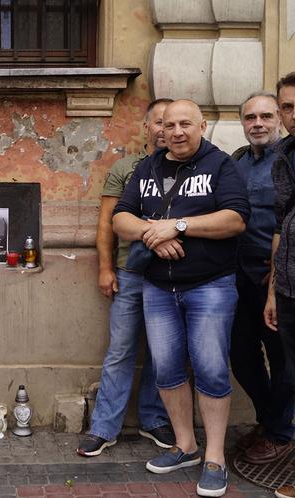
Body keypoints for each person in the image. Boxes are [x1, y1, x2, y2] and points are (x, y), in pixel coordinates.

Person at [113, 100, 250, 497]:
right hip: (157, 287)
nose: (175, 131)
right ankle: (186, 446)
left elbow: (236, 218)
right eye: (169, 124)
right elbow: (121, 217)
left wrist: (180, 225)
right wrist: (152, 235)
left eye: (185, 123)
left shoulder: (220, 165)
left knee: (210, 370)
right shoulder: (149, 166)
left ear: (202, 125)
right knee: (168, 371)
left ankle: (215, 458)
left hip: (209, 285)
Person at [77, 99, 174, 457]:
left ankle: (154, 419)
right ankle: (104, 427)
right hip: (130, 273)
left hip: (173, 276)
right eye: (159, 123)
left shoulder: (191, 169)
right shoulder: (125, 168)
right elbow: (106, 223)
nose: (166, 130)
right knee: (121, 351)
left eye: (173, 122)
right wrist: (105, 267)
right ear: (147, 128)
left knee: (164, 353)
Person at [229, 92, 293, 464]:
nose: (258, 123)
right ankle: (271, 419)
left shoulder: (287, 160)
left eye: (266, 116)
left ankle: (279, 432)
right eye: (250, 117)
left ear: (278, 119)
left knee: (282, 360)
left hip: (279, 274)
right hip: (238, 272)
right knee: (240, 355)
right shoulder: (236, 162)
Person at [264, 72, 295, 498]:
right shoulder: (284, 154)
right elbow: (279, 226)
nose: (292, 114)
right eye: (287, 106)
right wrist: (271, 289)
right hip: (289, 287)